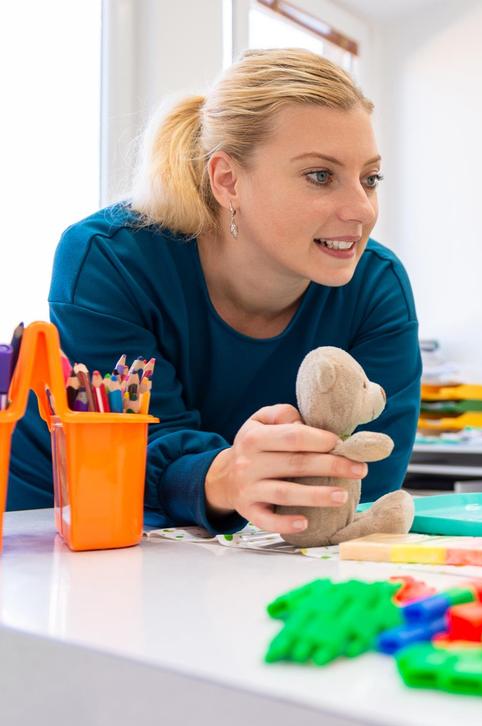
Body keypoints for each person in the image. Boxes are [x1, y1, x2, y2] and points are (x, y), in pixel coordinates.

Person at [8, 49, 421, 536]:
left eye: (369, 179)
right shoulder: (111, 259)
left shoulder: (377, 287)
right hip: (55, 522)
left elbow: (361, 484)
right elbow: (129, 452)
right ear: (228, 180)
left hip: (229, 543)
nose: (362, 210)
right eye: (320, 175)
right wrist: (222, 476)